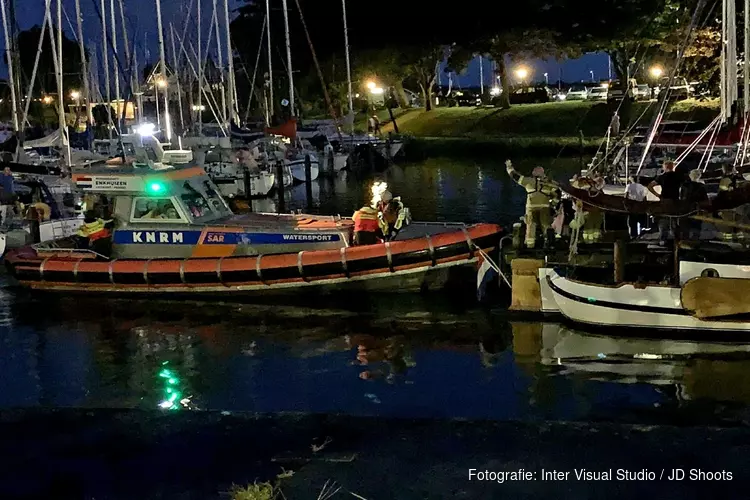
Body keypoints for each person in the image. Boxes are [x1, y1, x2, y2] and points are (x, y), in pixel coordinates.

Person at [506, 160, 560, 249]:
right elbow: (557, 194)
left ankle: (530, 245)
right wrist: (554, 204)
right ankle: (548, 244)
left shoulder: (528, 181)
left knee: (530, 225)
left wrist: (509, 167)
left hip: (531, 207)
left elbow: (515, 176)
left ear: (533, 174)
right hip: (545, 207)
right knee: (546, 225)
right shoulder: (549, 183)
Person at [647, 160, 686, 245]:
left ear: (665, 167)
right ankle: (676, 240)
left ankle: (663, 240)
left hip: (664, 200)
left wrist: (657, 195)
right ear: (672, 167)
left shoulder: (661, 177)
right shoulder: (679, 176)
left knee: (663, 220)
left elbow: (650, 186)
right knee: (675, 219)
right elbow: (685, 186)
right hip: (675, 200)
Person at [678, 169, 708, 240]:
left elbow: (680, 197)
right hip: (695, 210)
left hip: (684, 210)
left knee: (684, 229)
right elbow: (705, 201)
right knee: (696, 228)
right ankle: (695, 241)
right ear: (699, 176)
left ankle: (684, 241)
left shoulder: (683, 186)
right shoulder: (701, 187)